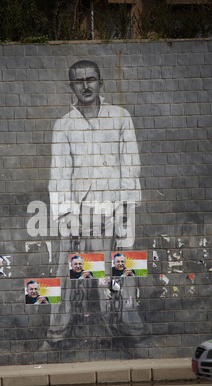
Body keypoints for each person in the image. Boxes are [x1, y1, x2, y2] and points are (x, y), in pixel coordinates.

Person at [43, 60, 142, 346]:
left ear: (101, 82)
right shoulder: (63, 125)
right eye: (78, 81)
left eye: (91, 79)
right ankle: (57, 333)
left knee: (125, 270)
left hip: (117, 207)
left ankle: (130, 326)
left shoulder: (120, 117)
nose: (85, 85)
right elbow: (59, 173)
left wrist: (126, 207)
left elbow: (131, 163)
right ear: (70, 86)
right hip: (80, 211)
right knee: (65, 271)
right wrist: (66, 216)